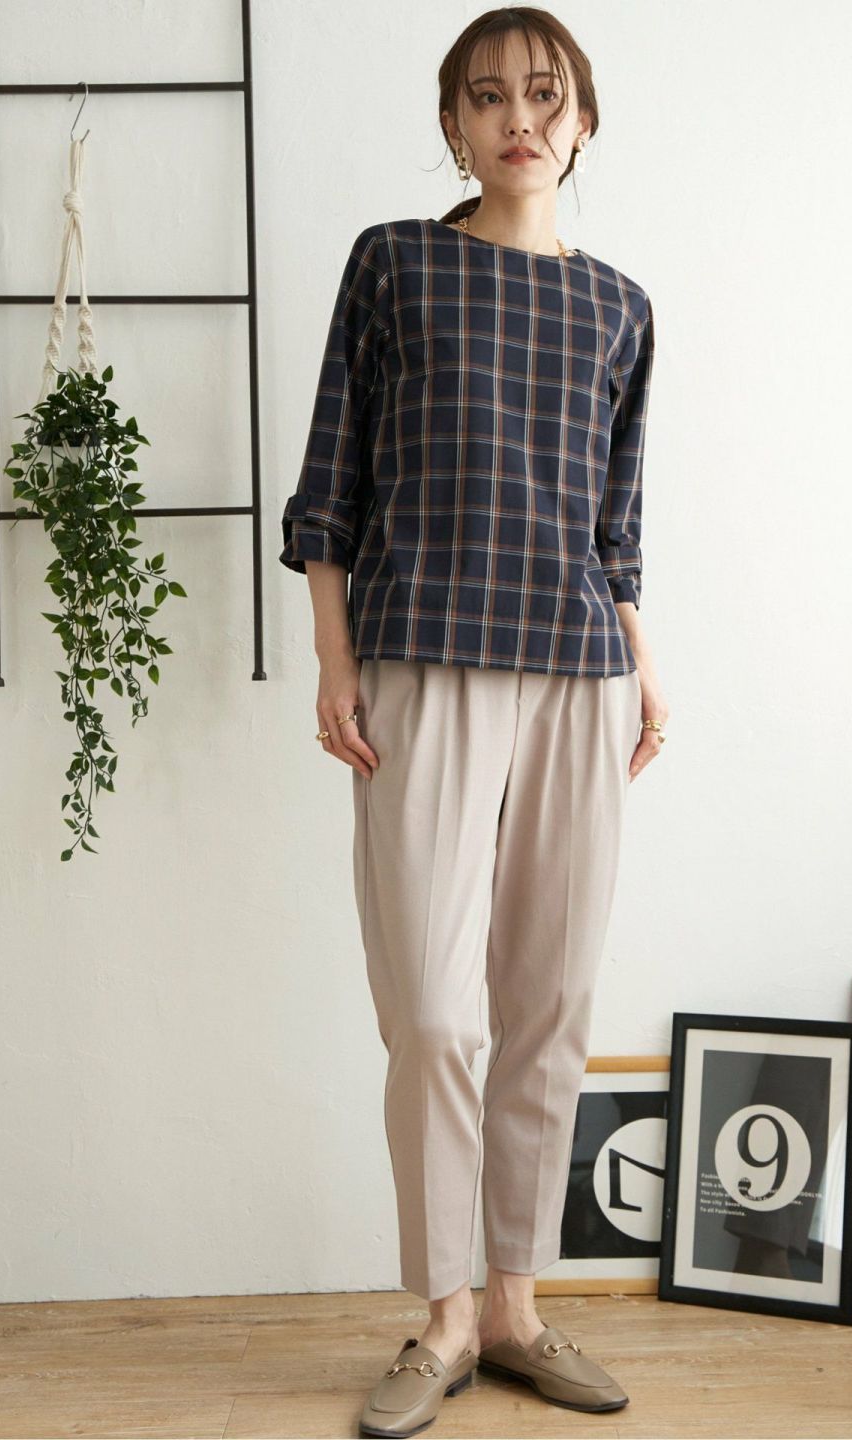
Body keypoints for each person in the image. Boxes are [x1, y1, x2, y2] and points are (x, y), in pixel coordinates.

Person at [279, 8, 668, 1435]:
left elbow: (617, 522)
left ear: (584, 124)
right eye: (489, 96)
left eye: (546, 96)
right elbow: (330, 483)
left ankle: (514, 1306)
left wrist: (643, 662)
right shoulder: (394, 263)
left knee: (550, 1005)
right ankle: (443, 1315)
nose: (520, 118)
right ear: (453, 124)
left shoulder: (621, 306)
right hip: (423, 657)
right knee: (436, 1012)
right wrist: (334, 657)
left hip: (578, 670)